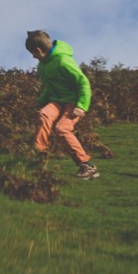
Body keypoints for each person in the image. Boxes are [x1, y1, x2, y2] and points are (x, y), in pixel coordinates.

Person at [25, 30, 99, 180]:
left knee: (61, 129)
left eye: (33, 53)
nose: (33, 57)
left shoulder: (63, 61)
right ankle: (39, 156)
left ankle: (87, 165)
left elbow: (83, 82)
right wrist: (39, 102)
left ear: (39, 50)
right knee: (44, 115)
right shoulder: (43, 65)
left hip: (73, 102)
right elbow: (50, 86)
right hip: (57, 100)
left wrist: (81, 106)